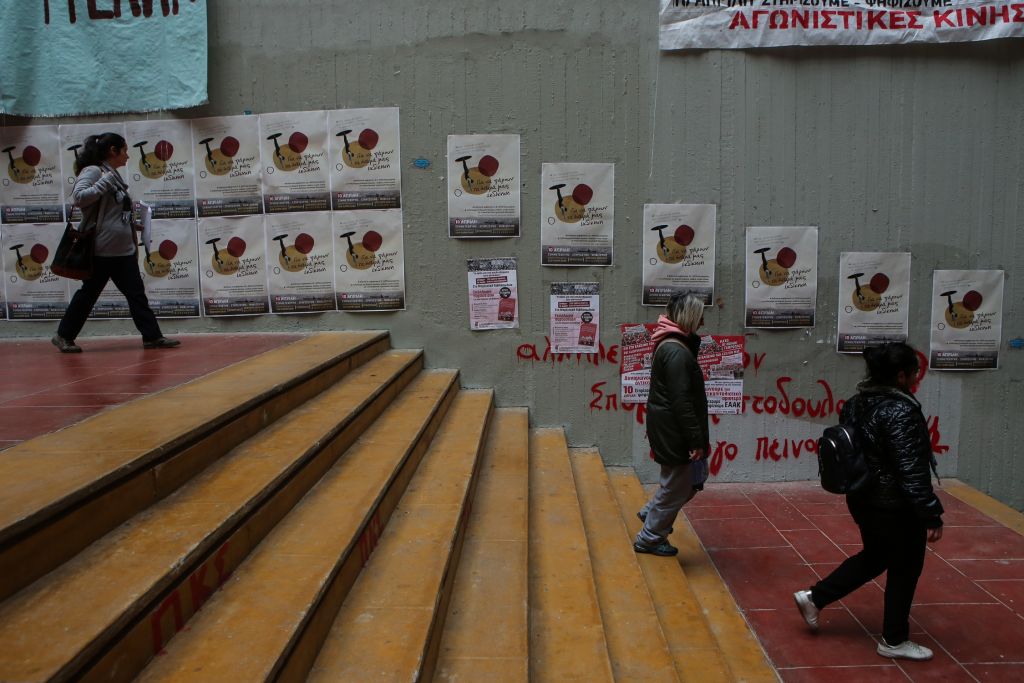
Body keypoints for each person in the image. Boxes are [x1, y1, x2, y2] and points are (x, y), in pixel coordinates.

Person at [794, 342, 943, 661]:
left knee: (876, 556)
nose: (917, 377)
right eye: (914, 372)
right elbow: (910, 469)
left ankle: (814, 598)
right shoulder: (900, 410)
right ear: (901, 376)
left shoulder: (855, 403)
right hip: (893, 506)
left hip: (863, 499)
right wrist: (930, 514)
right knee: (905, 567)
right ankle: (894, 640)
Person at [52, 133, 179, 353]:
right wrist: (104, 182)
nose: (128, 156)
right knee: (88, 295)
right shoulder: (95, 171)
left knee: (136, 294)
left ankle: (152, 337)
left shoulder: (113, 174)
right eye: (125, 150)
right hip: (100, 251)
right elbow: (78, 198)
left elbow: (112, 211)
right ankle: (63, 335)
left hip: (122, 251)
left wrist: (131, 224)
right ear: (113, 150)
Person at [634, 292, 709, 557]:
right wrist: (695, 441)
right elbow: (682, 402)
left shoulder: (674, 344)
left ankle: (652, 514)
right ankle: (650, 538)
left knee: (688, 481)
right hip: (675, 432)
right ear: (689, 317)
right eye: (699, 316)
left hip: (670, 428)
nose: (702, 321)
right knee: (678, 486)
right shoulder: (676, 351)